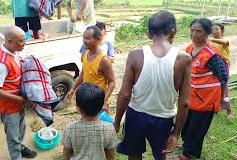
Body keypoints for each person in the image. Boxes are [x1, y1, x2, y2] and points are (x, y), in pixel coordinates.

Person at [114, 11, 192, 160]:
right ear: (173, 30)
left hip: (135, 116)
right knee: (161, 155)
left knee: (134, 154)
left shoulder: (135, 55)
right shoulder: (184, 59)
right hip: (163, 119)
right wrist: (176, 133)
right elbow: (184, 102)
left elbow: (124, 94)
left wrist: (117, 121)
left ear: (149, 33)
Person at [171, 18, 228, 160]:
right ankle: (187, 144)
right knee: (187, 124)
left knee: (197, 128)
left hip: (206, 100)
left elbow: (223, 77)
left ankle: (188, 155)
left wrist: (220, 99)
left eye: (199, 31)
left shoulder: (212, 55)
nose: (194, 34)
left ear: (207, 33)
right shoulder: (190, 47)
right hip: (192, 96)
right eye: (192, 30)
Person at [0, 26, 37, 160]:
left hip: (17, 102)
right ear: (10, 41)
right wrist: (19, 99)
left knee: (21, 127)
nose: (24, 43)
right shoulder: (2, 64)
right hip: (9, 106)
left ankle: (21, 148)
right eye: (21, 41)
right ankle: (16, 156)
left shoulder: (13, 51)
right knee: (13, 135)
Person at [61, 82, 118, 160]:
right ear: (101, 107)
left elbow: (67, 152)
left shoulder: (70, 128)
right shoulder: (109, 128)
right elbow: (110, 155)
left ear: (78, 109)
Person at [66, 26, 115, 110]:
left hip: (99, 103)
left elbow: (112, 82)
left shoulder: (104, 60)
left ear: (98, 39)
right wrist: (72, 89)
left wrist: (103, 101)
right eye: (84, 38)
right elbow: (83, 74)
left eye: (88, 38)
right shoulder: (86, 53)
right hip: (87, 100)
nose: (85, 41)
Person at [210, 23, 232, 119]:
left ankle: (229, 111)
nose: (214, 31)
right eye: (212, 29)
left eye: (216, 29)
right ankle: (215, 108)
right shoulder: (210, 42)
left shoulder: (226, 39)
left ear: (221, 31)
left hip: (223, 64)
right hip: (213, 65)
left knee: (224, 86)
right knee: (214, 86)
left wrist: (211, 40)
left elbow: (224, 42)